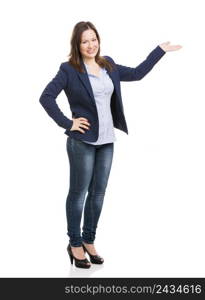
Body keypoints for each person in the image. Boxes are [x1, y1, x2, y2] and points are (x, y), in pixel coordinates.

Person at [39, 21, 182, 268]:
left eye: (93, 39)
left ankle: (89, 240)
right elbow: (46, 97)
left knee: (98, 194)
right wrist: (67, 123)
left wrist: (159, 50)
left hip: (107, 141)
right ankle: (74, 244)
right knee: (79, 193)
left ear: (98, 39)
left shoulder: (108, 65)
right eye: (84, 41)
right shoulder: (69, 69)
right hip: (82, 141)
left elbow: (137, 73)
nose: (90, 45)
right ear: (77, 44)